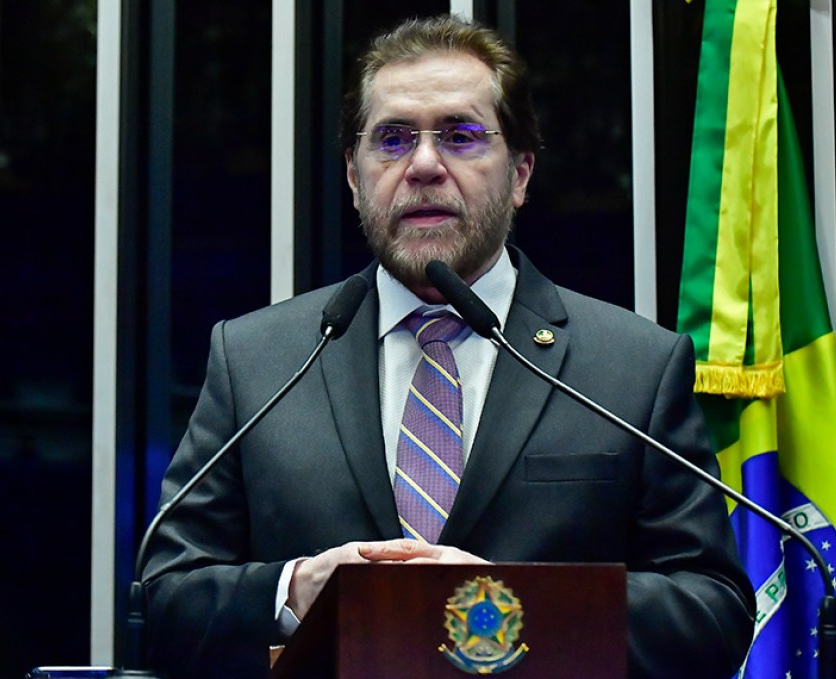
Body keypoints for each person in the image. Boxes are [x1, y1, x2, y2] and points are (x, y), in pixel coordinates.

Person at [143, 14, 754, 678]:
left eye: (461, 136)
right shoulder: (258, 361)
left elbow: (713, 614)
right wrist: (295, 590)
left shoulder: (631, 368)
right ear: (353, 176)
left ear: (520, 174)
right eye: (393, 139)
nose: (425, 165)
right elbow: (165, 598)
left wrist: (507, 605)